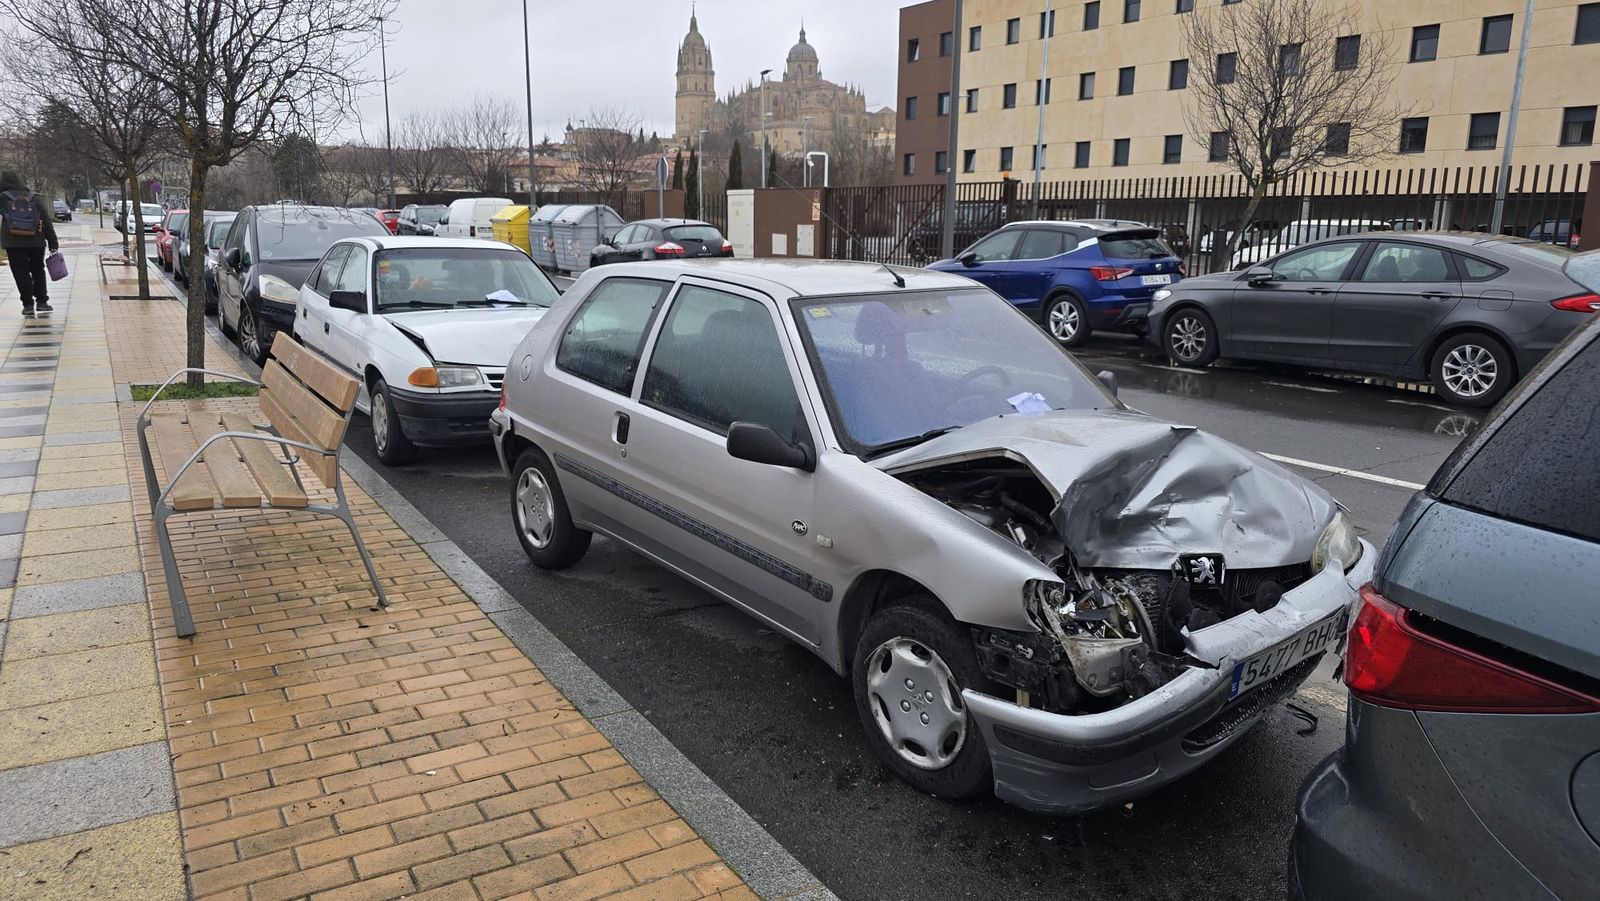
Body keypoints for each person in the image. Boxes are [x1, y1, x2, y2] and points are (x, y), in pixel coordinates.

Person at [0, 170, 60, 314]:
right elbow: (46, 220)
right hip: (36, 240)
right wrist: (53, 242)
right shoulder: (34, 197)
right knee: (38, 270)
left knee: (20, 272)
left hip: (13, 242)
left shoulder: (3, 198)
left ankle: (27, 305)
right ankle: (42, 302)